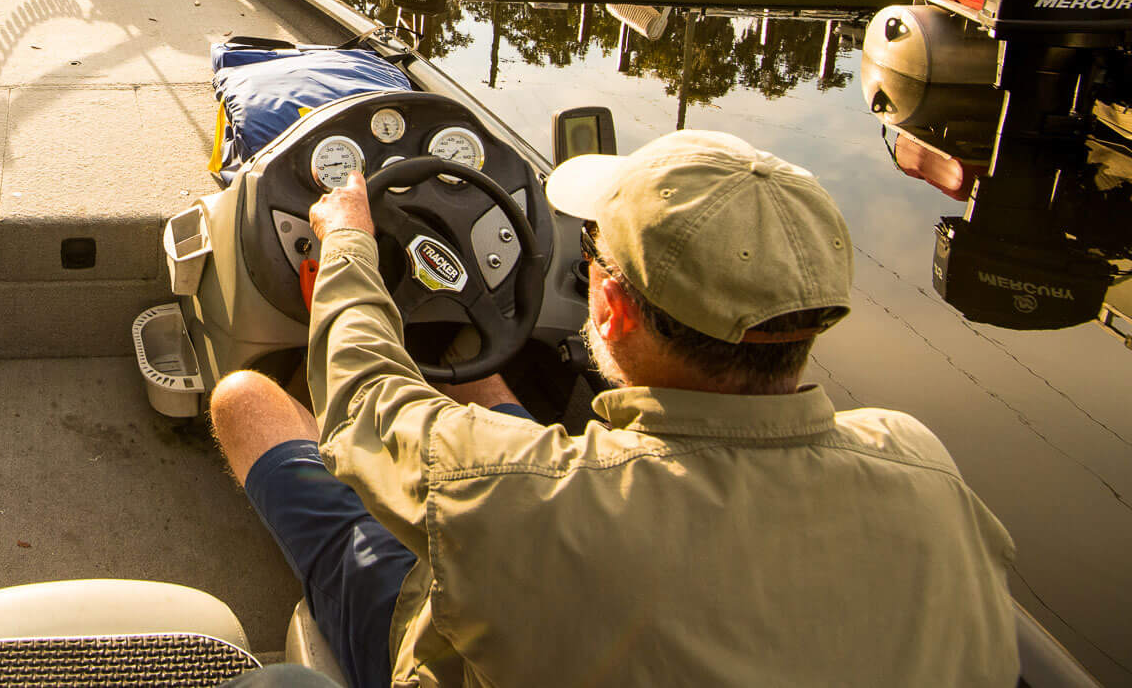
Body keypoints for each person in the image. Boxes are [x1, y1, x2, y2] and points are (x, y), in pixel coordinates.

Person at [209, 129, 1018, 688]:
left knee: (245, 400)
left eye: (590, 249)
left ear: (614, 309)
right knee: (475, 378)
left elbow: (363, 406)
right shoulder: (921, 463)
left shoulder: (518, 494)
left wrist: (349, 240)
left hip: (452, 633)